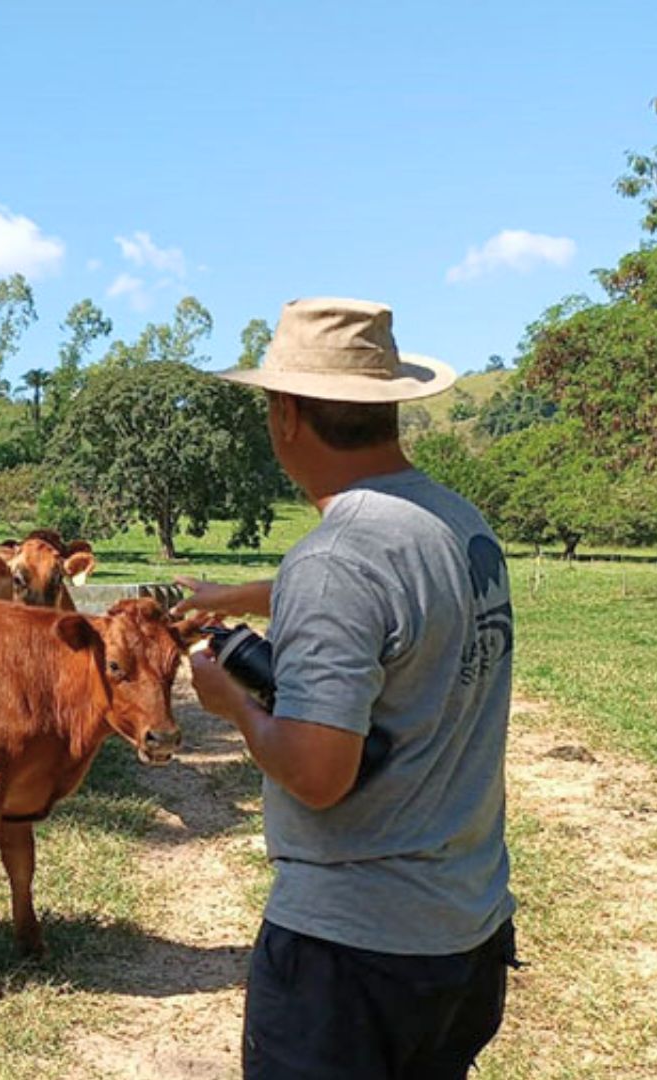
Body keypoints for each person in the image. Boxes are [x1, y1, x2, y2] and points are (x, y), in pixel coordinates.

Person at [178, 298, 518, 1079]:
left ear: (286, 415)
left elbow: (317, 775)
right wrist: (237, 597)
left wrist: (232, 703)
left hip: (353, 953)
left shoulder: (335, 560)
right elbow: (392, 603)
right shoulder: (457, 521)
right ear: (388, 403)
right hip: (466, 930)